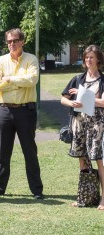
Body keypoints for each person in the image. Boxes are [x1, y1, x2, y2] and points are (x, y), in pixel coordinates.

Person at [0, 28, 44, 199]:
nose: (11, 44)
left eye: (15, 40)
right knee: (3, 152)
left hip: (26, 111)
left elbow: (32, 80)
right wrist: (20, 82)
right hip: (4, 110)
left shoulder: (31, 59)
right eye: (9, 41)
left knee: (30, 152)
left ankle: (37, 190)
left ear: (22, 41)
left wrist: (9, 79)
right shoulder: (0, 61)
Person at [61, 45, 104, 210]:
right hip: (79, 125)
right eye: (86, 57)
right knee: (83, 160)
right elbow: (63, 98)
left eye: (92, 57)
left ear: (98, 59)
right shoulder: (78, 79)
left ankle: (103, 199)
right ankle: (86, 197)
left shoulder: (103, 80)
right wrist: (72, 102)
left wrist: (87, 97)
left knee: (100, 161)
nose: (88, 60)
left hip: (97, 126)